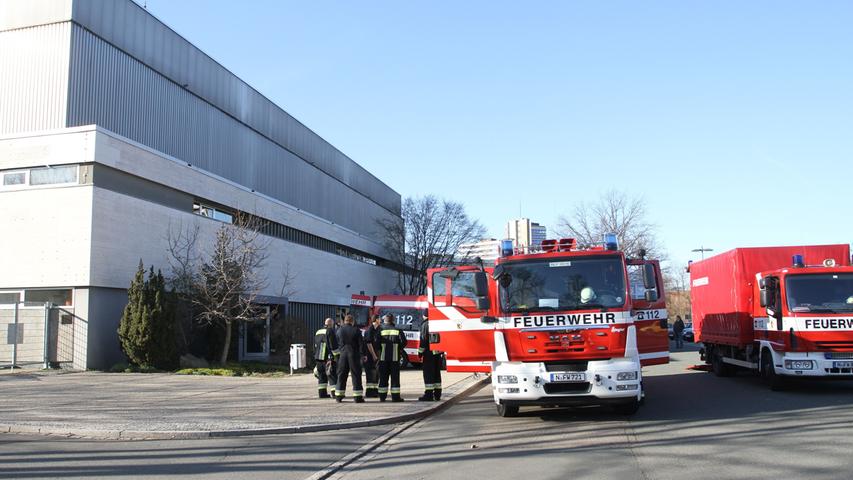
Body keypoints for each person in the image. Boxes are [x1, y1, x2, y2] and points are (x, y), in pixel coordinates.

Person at [335, 314, 366, 403]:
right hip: (354, 355)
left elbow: (336, 343)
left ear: (344, 321)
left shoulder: (339, 330)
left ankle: (339, 396)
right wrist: (363, 355)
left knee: (341, 375)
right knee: (356, 375)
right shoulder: (356, 330)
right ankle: (357, 397)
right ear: (352, 321)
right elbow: (361, 344)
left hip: (343, 355)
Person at [377, 313, 408, 402]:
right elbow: (404, 342)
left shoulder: (380, 330)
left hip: (383, 357)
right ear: (393, 320)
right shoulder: (398, 330)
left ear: (385, 320)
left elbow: (376, 343)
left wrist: (381, 349)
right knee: (395, 378)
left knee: (383, 377)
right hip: (395, 357)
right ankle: (395, 397)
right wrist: (399, 348)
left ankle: (382, 397)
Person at [417, 314, 442, 401]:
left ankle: (429, 395)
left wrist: (420, 353)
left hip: (428, 354)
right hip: (437, 353)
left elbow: (423, 340)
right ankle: (438, 394)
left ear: (424, 315)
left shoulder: (425, 324)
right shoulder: (436, 323)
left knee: (428, 374)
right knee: (436, 374)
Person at [312, 318, 336, 398]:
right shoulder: (330, 331)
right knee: (331, 375)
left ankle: (322, 394)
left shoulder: (318, 331)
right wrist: (335, 356)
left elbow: (315, 345)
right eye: (332, 324)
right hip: (326, 357)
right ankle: (334, 393)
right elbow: (332, 345)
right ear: (330, 324)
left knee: (322, 376)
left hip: (318, 357)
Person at [363, 315, 381, 398]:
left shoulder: (378, 329)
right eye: (379, 319)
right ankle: (369, 392)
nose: (380, 320)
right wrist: (374, 355)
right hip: (370, 356)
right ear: (376, 320)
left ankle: (374, 391)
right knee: (371, 373)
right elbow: (368, 343)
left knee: (376, 373)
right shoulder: (370, 330)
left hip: (377, 354)